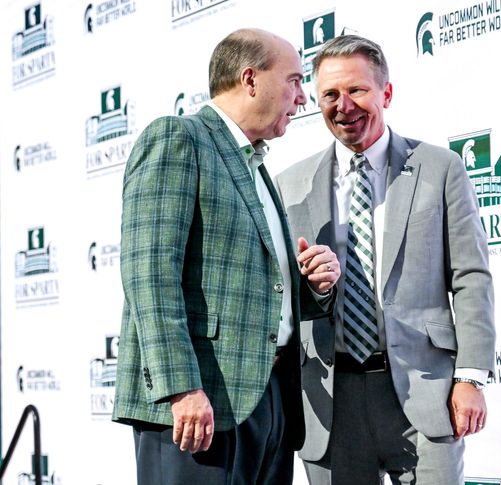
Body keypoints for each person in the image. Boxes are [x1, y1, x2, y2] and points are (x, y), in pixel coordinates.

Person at [112, 28, 341, 485]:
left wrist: (311, 287)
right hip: (198, 407)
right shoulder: (178, 139)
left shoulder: (256, 164)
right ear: (250, 79)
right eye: (295, 81)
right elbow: (149, 275)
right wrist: (182, 388)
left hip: (267, 400)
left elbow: (252, 283)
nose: (302, 98)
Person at [275, 34, 495, 485]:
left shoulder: (440, 168)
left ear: (386, 93)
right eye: (330, 95)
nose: (343, 105)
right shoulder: (289, 185)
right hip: (330, 401)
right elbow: (280, 296)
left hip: (426, 391)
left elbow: (471, 277)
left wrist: (471, 377)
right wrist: (311, 286)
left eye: (357, 90)